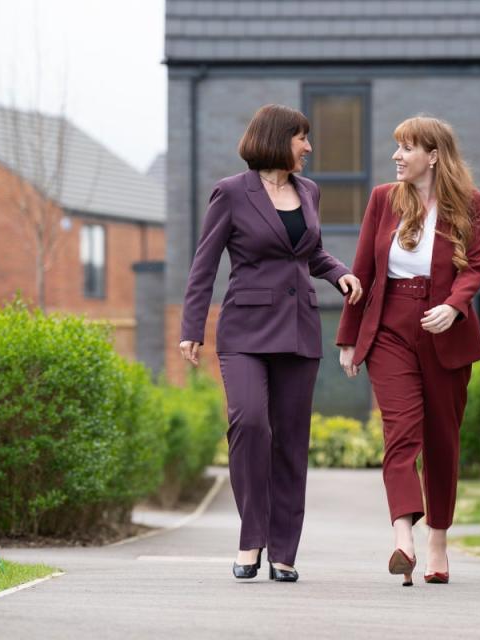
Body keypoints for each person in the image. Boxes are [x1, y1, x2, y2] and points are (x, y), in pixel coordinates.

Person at [179, 104, 362, 582]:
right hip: (244, 329)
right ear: (281, 139)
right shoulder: (231, 193)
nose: (309, 147)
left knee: (291, 443)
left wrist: (340, 273)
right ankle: (249, 537)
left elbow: (310, 250)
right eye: (303, 138)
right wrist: (191, 328)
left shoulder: (309, 191)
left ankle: (284, 551)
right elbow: (205, 263)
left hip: (299, 329)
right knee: (250, 424)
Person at [336, 116, 480, 586]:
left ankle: (437, 542)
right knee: (400, 432)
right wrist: (348, 337)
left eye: (407, 148)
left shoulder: (470, 203)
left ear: (434, 156)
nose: (397, 156)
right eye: (397, 147)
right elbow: (361, 271)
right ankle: (403, 537)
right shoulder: (383, 199)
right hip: (390, 329)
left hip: (445, 329)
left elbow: (476, 265)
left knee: (442, 440)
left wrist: (455, 306)